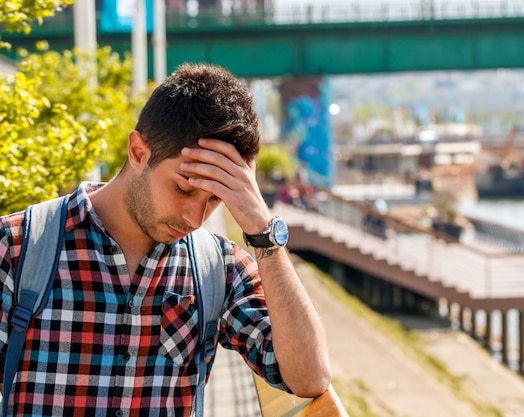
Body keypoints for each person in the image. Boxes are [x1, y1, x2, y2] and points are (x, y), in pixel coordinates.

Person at [0, 63, 332, 416]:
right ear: (138, 152)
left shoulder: (217, 268)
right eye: (183, 188)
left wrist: (264, 233)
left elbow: (309, 379)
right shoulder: (19, 248)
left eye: (215, 200)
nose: (194, 218)